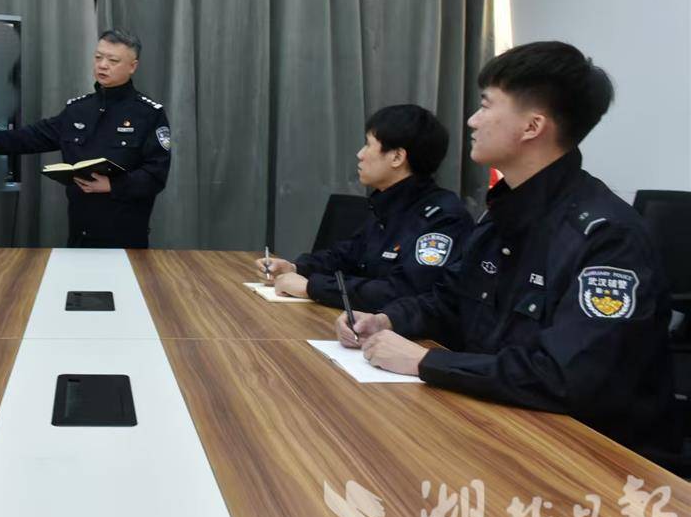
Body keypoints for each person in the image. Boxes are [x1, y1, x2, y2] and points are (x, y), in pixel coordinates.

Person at [339, 42, 678, 453]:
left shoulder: (608, 237)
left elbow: (567, 377)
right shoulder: (500, 216)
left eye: (486, 105)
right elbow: (450, 303)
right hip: (497, 426)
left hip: (590, 458)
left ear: (532, 127)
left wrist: (426, 362)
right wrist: (387, 320)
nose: (472, 120)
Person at [0, 29, 171, 248]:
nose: (102, 65)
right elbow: (34, 136)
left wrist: (112, 185)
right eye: (98, 57)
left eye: (113, 60)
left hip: (125, 236)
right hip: (80, 233)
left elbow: (156, 175)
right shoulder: (78, 109)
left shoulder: (149, 114)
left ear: (132, 66)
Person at [256, 105, 472, 311]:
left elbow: (401, 292)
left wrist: (312, 288)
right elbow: (346, 256)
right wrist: (296, 268)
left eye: (368, 145)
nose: (360, 154)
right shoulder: (387, 204)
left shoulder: (442, 218)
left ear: (397, 157)